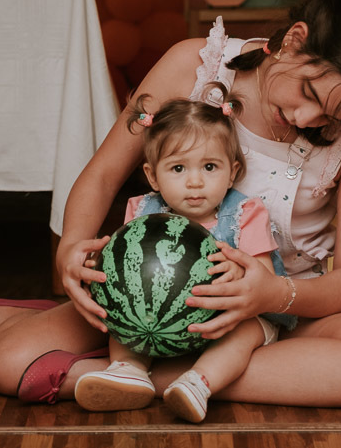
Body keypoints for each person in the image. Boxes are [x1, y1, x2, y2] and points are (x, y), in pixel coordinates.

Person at [0, 0, 341, 409]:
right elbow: (103, 176)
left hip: (275, 316)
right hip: (147, 296)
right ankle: (179, 373)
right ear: (294, 41)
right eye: (308, 94)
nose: (308, 120)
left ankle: (144, 376)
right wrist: (70, 251)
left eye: (332, 118)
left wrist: (270, 296)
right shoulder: (195, 67)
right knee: (6, 363)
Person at [74, 94, 293, 423]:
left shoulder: (245, 213)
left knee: (246, 331)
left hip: (228, 320)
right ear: (152, 176)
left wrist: (239, 273)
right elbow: (128, 274)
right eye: (178, 168)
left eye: (210, 167)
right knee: (121, 318)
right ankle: (128, 370)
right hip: (160, 324)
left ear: (231, 172)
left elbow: (264, 281)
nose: (195, 181)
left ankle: (199, 382)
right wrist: (101, 274)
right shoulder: (142, 211)